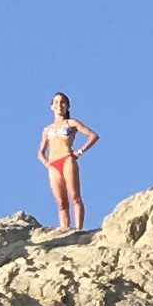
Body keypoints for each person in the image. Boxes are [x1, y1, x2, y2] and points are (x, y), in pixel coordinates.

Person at [38, 91, 98, 235]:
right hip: (53, 164)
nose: (59, 105)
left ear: (67, 106)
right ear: (52, 106)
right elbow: (40, 151)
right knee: (61, 203)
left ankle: (78, 229)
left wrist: (80, 151)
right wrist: (46, 163)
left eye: (63, 102)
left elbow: (92, 136)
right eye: (56, 102)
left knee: (74, 196)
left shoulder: (71, 123)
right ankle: (65, 232)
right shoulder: (47, 129)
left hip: (67, 159)